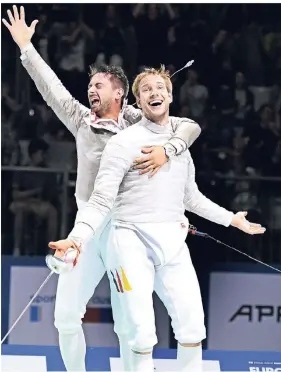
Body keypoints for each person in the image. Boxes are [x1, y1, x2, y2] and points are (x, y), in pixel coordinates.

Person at [2, 6, 201, 372]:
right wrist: (27, 49)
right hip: (89, 228)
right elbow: (52, 90)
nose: (90, 90)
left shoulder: (142, 121)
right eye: (90, 86)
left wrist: (167, 150)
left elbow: (188, 126)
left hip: (129, 229)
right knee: (64, 317)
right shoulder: (81, 120)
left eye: (98, 85)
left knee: (129, 323)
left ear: (120, 92)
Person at [49, 65, 266, 372]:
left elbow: (191, 197)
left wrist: (231, 219)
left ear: (170, 96)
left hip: (173, 244)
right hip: (130, 244)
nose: (155, 93)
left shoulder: (180, 146)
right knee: (140, 331)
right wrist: (78, 237)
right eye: (147, 89)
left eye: (160, 88)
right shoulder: (122, 143)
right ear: (136, 101)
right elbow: (100, 200)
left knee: (192, 328)